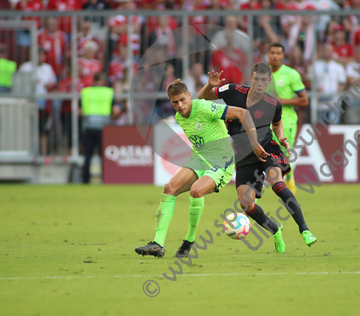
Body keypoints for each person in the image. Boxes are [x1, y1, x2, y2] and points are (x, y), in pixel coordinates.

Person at [135, 79, 269, 258]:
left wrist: (254, 143)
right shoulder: (178, 117)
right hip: (199, 158)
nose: (180, 105)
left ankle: (188, 242)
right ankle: (158, 244)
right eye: (175, 102)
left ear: (189, 96)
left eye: (183, 100)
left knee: (196, 191)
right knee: (169, 189)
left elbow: (243, 113)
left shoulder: (204, 108)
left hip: (221, 161)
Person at [198, 63, 317, 249]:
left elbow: (277, 124)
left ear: (269, 81)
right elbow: (202, 97)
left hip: (267, 148)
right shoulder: (232, 90)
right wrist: (209, 85)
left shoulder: (273, 104)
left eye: (264, 80)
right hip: (245, 155)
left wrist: (281, 137)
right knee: (245, 203)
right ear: (251, 78)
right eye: (257, 79)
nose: (260, 83)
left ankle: (304, 229)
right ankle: (276, 230)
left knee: (277, 184)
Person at [267, 43, 308, 193]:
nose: (275, 56)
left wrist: (281, 101)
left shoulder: (291, 74)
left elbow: (304, 100)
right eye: (272, 53)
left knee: (284, 155)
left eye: (278, 53)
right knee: (269, 155)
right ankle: (285, 180)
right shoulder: (263, 75)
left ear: (283, 56)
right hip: (267, 121)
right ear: (268, 55)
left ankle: (289, 179)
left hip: (287, 121)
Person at [80, 72, 121, 183]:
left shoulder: (85, 92)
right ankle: (105, 178)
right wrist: (111, 119)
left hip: (88, 126)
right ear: (103, 81)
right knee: (104, 154)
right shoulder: (108, 92)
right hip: (104, 127)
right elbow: (116, 110)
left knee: (87, 154)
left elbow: (79, 110)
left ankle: (85, 179)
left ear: (93, 80)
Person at [19, 47, 56, 155]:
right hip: (28, 103)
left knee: (43, 129)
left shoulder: (48, 68)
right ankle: (28, 152)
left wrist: (48, 85)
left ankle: (43, 153)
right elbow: (20, 83)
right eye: (38, 54)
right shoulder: (26, 67)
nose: (41, 57)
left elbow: (53, 83)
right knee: (28, 128)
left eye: (42, 55)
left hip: (43, 103)